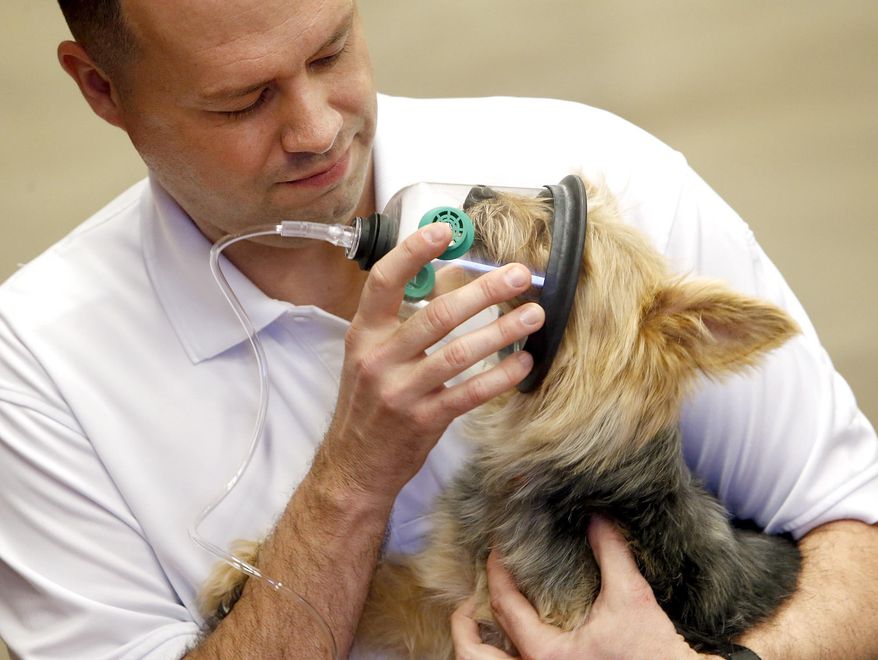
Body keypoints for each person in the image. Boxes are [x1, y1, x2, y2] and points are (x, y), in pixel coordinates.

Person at [0, 0, 875, 658]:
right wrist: (351, 479)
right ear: (101, 89)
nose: (318, 129)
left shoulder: (604, 178)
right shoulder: (38, 367)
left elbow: (859, 537)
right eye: (241, 102)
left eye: (332, 49)